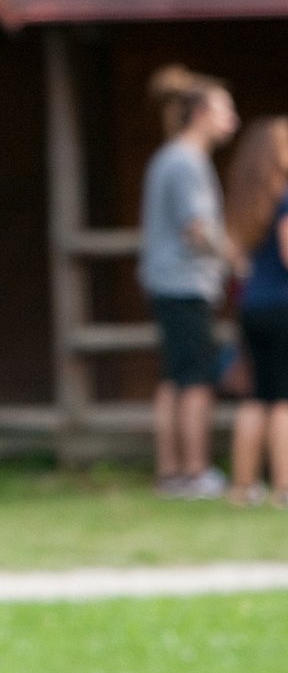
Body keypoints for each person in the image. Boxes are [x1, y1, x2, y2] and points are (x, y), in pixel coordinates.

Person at [138, 64, 238, 499]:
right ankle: (194, 472)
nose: (232, 118)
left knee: (174, 378)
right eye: (224, 109)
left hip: (167, 282)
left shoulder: (172, 157)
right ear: (200, 114)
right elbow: (198, 228)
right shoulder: (185, 161)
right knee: (195, 379)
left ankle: (171, 472)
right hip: (185, 283)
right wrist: (236, 259)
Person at [224, 116, 288, 507]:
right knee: (283, 399)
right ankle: (284, 486)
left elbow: (235, 258)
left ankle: (243, 487)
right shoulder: (285, 196)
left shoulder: (244, 200)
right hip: (283, 304)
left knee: (255, 396)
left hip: (252, 306)